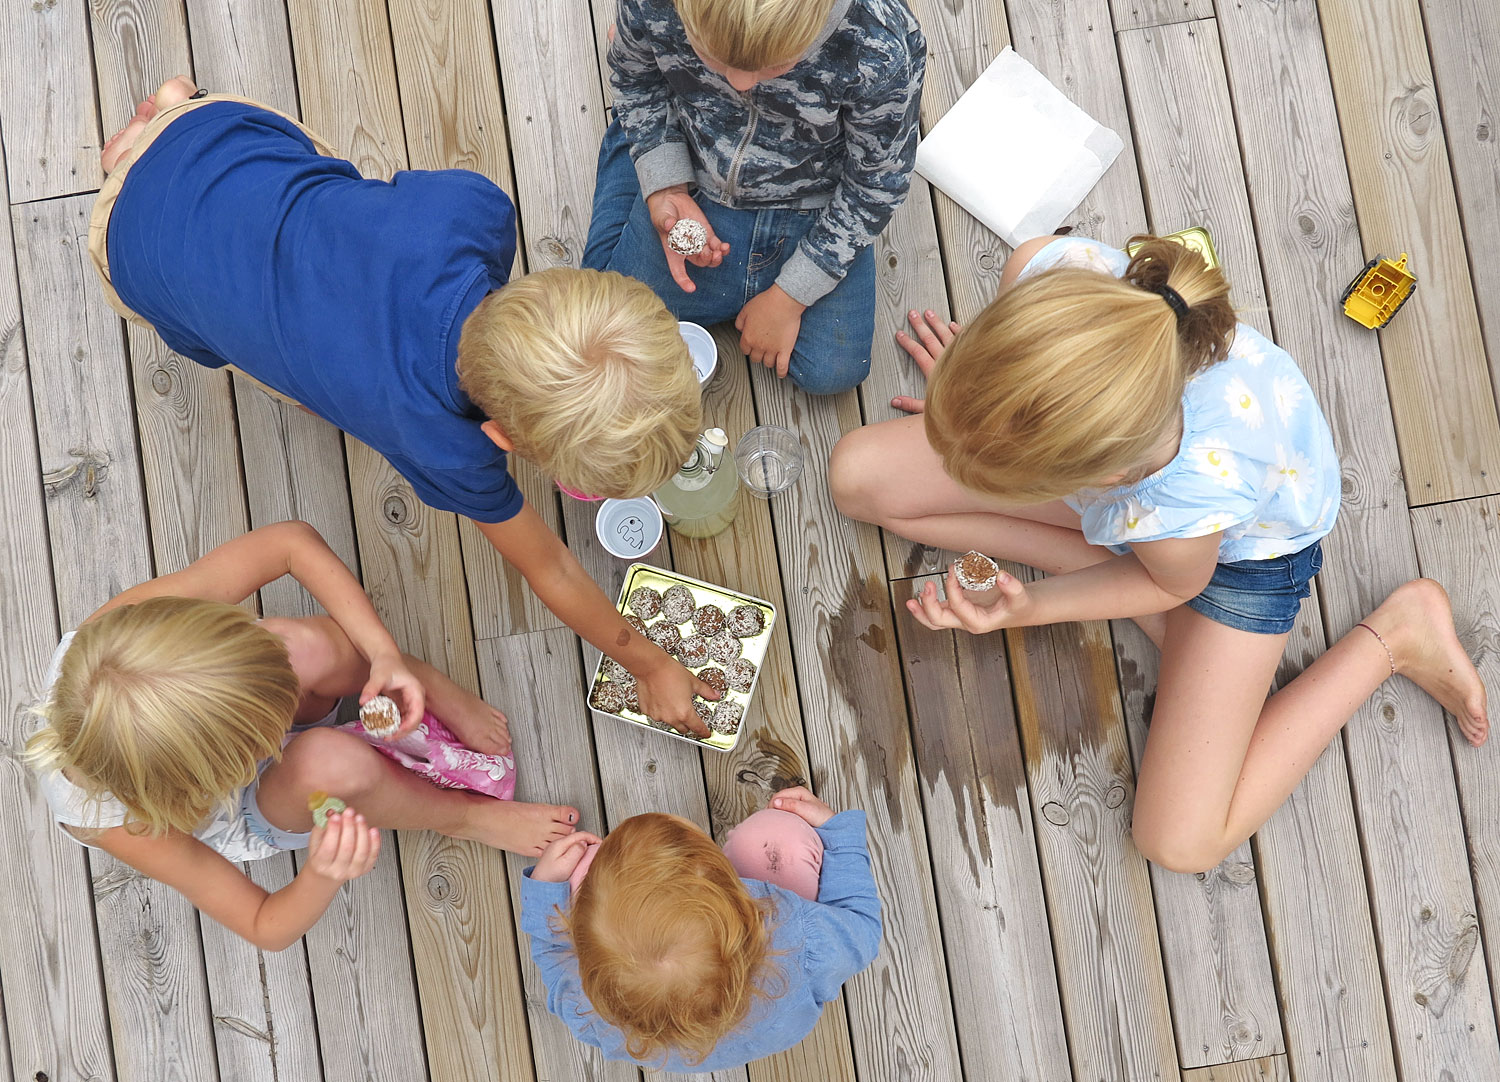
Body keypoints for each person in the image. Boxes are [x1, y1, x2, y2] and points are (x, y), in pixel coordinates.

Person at [829, 233, 1490, 873]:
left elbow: (1171, 583)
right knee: (857, 478)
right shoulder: (1042, 265)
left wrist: (1023, 609)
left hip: (1238, 559)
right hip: (1130, 487)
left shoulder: (1179, 509)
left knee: (1179, 840)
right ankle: (1201, 664)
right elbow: (1043, 359)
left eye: (996, 471)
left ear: (1101, 479)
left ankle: (1395, 636)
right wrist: (987, 395)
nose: (963, 464)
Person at [90, 77, 718, 736]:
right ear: (500, 437)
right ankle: (129, 161)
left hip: (222, 138)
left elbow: (404, 205)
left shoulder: (473, 212)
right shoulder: (443, 443)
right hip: (129, 251)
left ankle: (159, 124)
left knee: (307, 193)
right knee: (273, 358)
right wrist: (649, 665)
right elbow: (551, 567)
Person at [26, 521, 580, 951]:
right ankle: (464, 818)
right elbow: (263, 924)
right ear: (224, 767)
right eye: (267, 733)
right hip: (249, 808)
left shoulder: (121, 638)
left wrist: (382, 653)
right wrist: (321, 872)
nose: (282, 730)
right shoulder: (120, 822)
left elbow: (289, 544)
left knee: (299, 647)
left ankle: (408, 674)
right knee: (332, 762)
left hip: (212, 717)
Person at [583, 0, 926, 394]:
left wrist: (790, 296)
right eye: (709, 56)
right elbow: (635, 81)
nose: (741, 83)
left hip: (813, 204)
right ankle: (639, 155)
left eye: (777, 65)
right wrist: (665, 185)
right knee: (601, 318)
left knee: (832, 373)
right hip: (698, 164)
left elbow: (877, 184)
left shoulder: (879, 45)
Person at [520, 787, 880, 1070]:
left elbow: (556, 964)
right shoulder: (799, 938)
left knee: (587, 872)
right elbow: (862, 927)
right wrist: (839, 834)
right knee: (776, 835)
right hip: (774, 1023)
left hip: (709, 1041)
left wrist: (545, 887)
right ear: (735, 902)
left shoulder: (596, 1014)